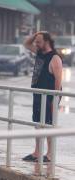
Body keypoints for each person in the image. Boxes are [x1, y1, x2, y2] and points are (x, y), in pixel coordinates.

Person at [22, 31, 63, 162]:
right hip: (38, 93)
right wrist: (37, 34)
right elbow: (26, 43)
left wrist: (55, 100)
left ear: (47, 42)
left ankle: (50, 154)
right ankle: (37, 152)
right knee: (37, 123)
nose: (36, 44)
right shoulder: (40, 53)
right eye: (36, 41)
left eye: (39, 41)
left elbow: (58, 81)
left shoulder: (55, 58)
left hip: (50, 95)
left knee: (48, 124)